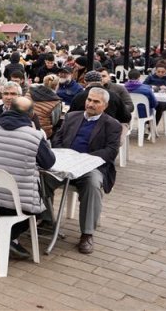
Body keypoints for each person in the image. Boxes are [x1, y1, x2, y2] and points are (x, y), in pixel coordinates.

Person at [0, 96, 55, 258]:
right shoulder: (34, 136)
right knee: (38, 210)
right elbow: (48, 162)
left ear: (10, 109)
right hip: (15, 205)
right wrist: (40, 135)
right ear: (32, 114)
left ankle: (10, 239)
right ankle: (7, 236)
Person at [45, 88, 122, 255]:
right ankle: (46, 219)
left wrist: (84, 159)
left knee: (92, 184)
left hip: (90, 167)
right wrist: (65, 155)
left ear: (105, 105)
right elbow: (57, 138)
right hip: (65, 164)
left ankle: (87, 234)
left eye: (96, 102)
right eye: (89, 100)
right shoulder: (72, 116)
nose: (90, 104)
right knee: (41, 177)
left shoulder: (112, 125)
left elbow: (111, 151)